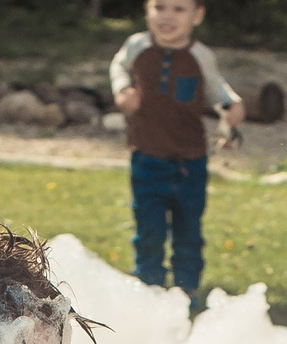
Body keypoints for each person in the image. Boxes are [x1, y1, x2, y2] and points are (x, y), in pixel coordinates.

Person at [111, 0, 244, 307]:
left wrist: (232, 106)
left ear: (197, 15)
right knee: (149, 230)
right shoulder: (137, 46)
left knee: (188, 231)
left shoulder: (200, 56)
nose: (167, 16)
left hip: (189, 162)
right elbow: (118, 66)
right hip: (147, 157)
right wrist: (123, 90)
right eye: (159, 7)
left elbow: (216, 90)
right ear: (146, 10)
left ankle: (186, 292)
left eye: (179, 9)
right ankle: (149, 290)